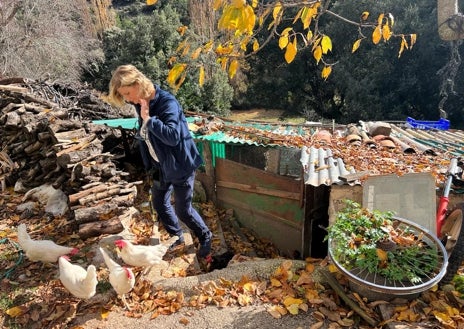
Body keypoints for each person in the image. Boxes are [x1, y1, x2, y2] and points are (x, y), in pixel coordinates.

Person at [108, 64, 212, 263]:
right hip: (160, 166)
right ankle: (177, 236)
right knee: (159, 203)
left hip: (180, 165)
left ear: (138, 84)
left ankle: (205, 236)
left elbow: (173, 136)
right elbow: (147, 136)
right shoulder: (139, 103)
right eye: (124, 96)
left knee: (184, 210)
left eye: (128, 93)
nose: (128, 99)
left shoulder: (167, 103)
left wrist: (149, 120)